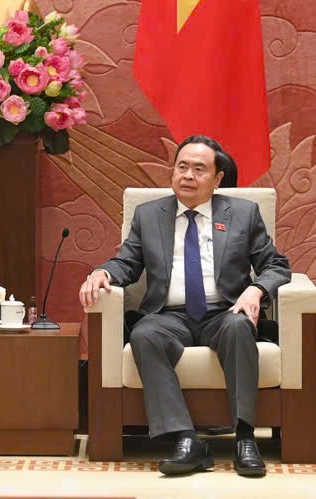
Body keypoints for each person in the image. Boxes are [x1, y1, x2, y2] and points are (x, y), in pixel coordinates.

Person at [79, 135, 291, 477]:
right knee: (144, 334)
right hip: (169, 316)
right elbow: (127, 262)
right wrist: (103, 272)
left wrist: (255, 290)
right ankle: (187, 440)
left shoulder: (243, 214)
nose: (188, 175)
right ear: (173, 171)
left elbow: (276, 265)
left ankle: (245, 438)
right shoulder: (149, 215)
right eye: (182, 167)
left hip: (224, 312)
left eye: (199, 169)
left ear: (218, 178)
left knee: (240, 327)